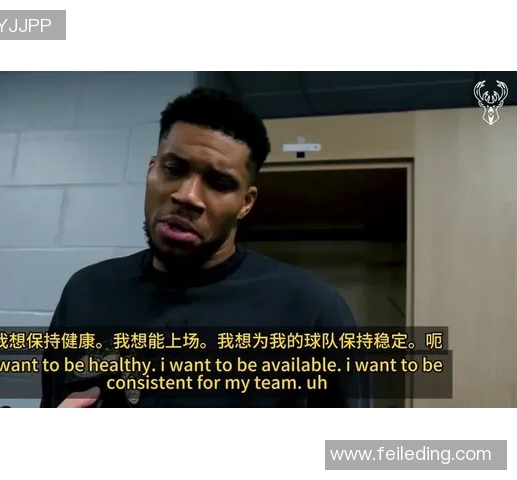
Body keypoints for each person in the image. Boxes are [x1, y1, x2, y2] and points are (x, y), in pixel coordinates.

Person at [40, 87, 372, 408]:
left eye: (219, 183)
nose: (188, 196)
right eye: (174, 168)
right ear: (152, 169)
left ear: (245, 203)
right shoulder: (86, 292)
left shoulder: (312, 312)